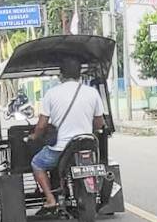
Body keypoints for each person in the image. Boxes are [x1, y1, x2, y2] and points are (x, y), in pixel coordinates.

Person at [27, 59, 105, 210]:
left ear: (60, 75)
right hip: (87, 145)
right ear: (79, 74)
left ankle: (50, 199)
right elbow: (99, 123)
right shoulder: (92, 93)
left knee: (37, 163)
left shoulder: (51, 94)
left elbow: (42, 125)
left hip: (60, 149)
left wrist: (34, 137)